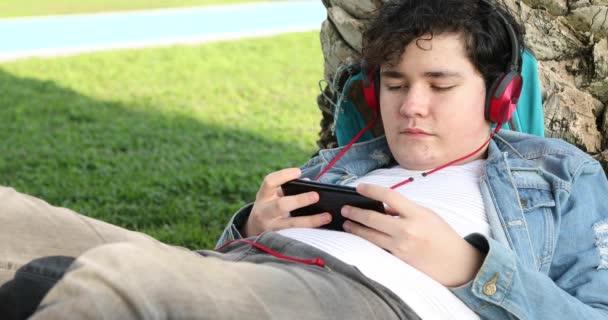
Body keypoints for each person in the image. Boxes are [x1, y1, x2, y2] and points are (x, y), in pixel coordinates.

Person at [1, 0, 607, 319]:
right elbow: (222, 265)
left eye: (440, 86)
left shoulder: (560, 175)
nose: (411, 107)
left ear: (499, 94)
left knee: (125, 282)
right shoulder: (351, 160)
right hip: (246, 271)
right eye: (395, 85)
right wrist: (250, 227)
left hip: (372, 299)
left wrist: (468, 266)